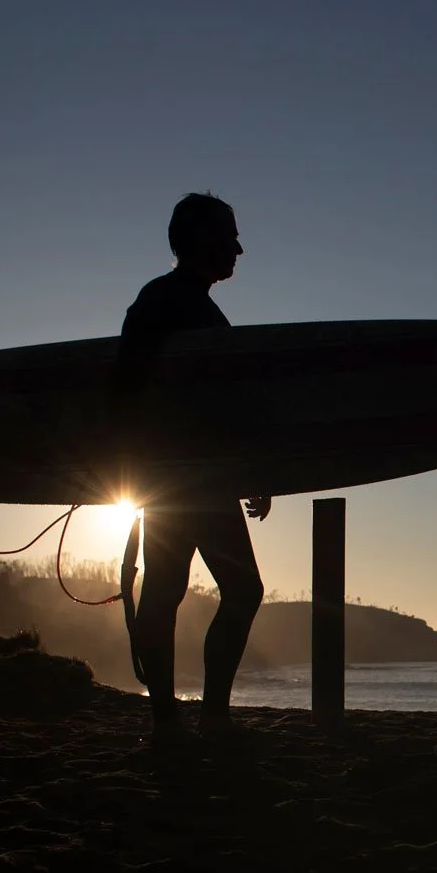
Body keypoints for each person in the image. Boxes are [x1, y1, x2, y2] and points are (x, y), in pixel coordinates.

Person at [110, 192, 269, 732]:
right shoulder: (169, 303)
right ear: (202, 240)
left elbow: (218, 406)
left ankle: (171, 719)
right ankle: (204, 718)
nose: (239, 249)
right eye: (230, 236)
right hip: (188, 479)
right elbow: (130, 391)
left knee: (166, 592)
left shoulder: (178, 303)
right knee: (236, 591)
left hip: (180, 478)